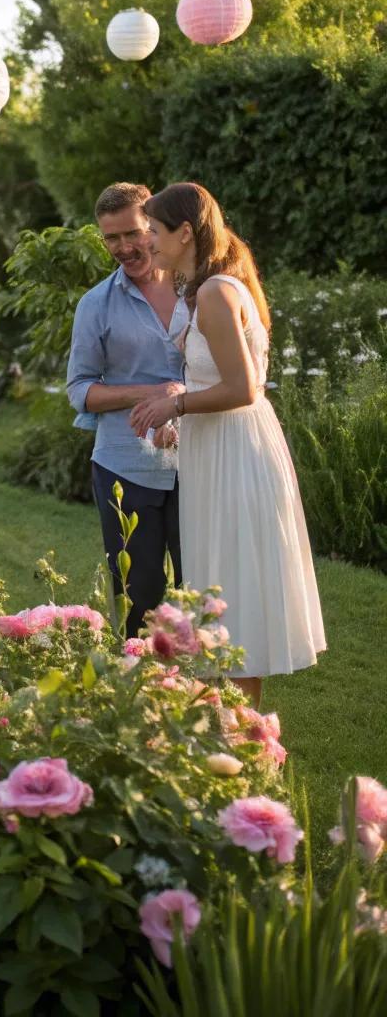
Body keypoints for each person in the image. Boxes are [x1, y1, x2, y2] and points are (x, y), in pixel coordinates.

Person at [129, 182, 325, 705]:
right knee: (224, 585)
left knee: (234, 589)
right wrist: (184, 401)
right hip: (223, 446)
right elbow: (222, 380)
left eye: (155, 231)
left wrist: (177, 405)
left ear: (186, 232)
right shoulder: (218, 284)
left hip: (234, 453)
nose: (149, 241)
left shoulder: (216, 292)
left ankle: (244, 739)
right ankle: (230, 729)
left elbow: (242, 388)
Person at [66, 183, 188, 636]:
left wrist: (179, 396)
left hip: (199, 459)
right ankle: (140, 692)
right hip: (125, 466)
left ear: (154, 226)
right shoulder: (95, 305)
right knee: (143, 593)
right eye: (111, 238)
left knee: (204, 587)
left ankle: (205, 691)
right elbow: (80, 389)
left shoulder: (195, 290)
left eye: (133, 233)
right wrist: (151, 394)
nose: (124, 247)